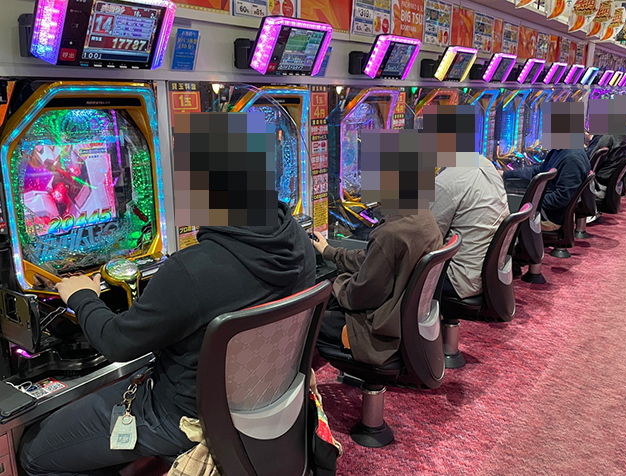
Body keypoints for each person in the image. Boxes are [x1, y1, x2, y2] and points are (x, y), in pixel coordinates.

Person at [19, 201, 316, 476]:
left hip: (180, 414)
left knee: (33, 453)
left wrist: (82, 296)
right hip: (264, 400)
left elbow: (116, 342)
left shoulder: (193, 268)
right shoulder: (297, 240)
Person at [311, 213, 442, 367]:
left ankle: (301, 379)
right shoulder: (424, 216)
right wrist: (331, 252)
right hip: (402, 321)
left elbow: (359, 297)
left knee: (308, 321)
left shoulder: (390, 233)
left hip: (379, 333)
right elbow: (372, 258)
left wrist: (339, 283)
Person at [430, 156, 509, 299]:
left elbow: (428, 239)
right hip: (487, 272)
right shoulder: (486, 164)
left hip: (458, 278)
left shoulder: (446, 182)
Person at [502, 148, 590, 232]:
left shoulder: (572, 159)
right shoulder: (559, 151)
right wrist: (505, 174)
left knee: (501, 215)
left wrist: (529, 202)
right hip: (545, 209)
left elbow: (561, 198)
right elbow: (539, 170)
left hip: (549, 217)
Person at [585, 126, 626, 198]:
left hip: (598, 186)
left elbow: (587, 162)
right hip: (610, 184)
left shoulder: (606, 137)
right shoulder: (623, 135)